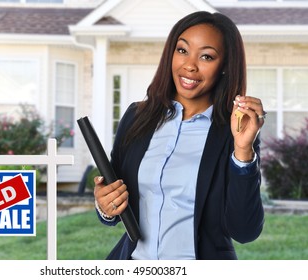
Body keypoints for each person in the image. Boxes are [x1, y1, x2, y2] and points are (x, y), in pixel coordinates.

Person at [93, 11, 265, 260]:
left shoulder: (235, 131)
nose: (190, 65)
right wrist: (105, 206)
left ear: (225, 66)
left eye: (206, 56)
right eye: (182, 50)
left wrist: (243, 152)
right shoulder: (136, 117)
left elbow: (245, 230)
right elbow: (114, 200)